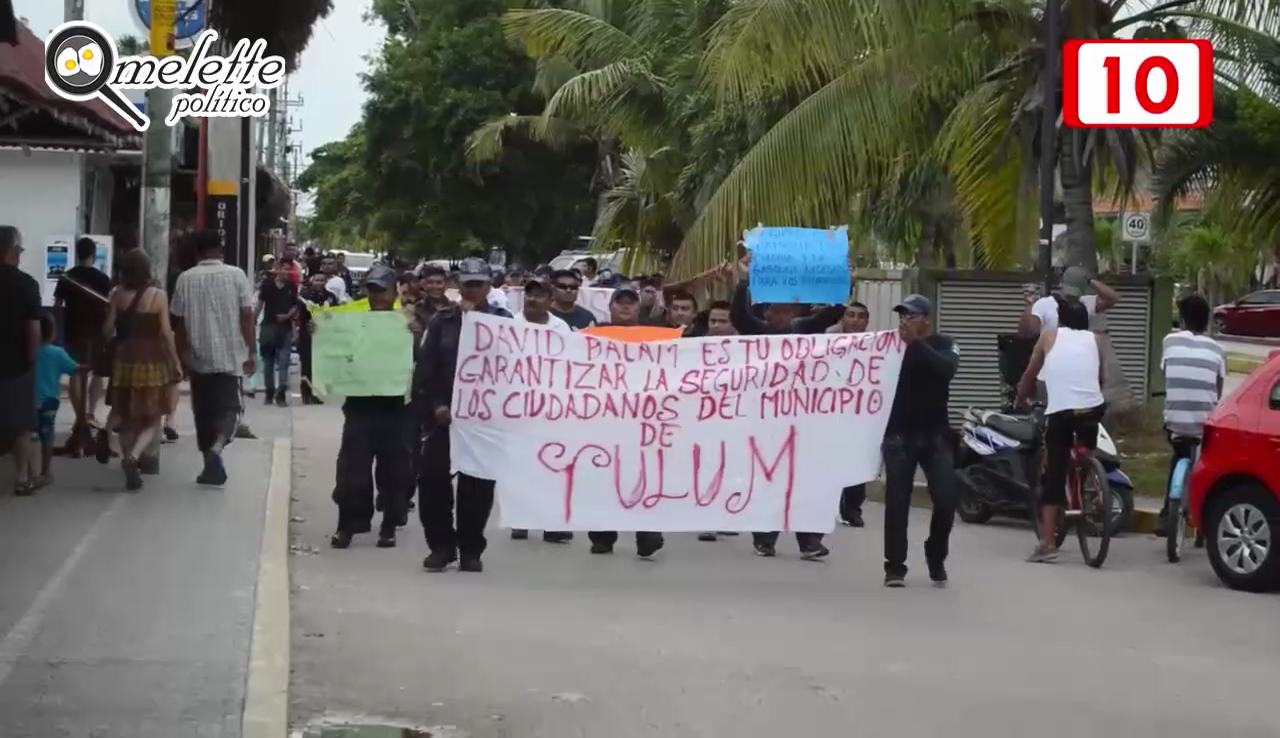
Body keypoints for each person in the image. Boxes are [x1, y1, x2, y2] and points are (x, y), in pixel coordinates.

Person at [730, 254, 845, 558]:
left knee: (806, 481)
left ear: (793, 312)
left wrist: (843, 280)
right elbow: (738, 317)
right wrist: (743, 280)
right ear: (766, 311)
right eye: (774, 309)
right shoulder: (756, 331)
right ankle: (764, 538)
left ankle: (809, 540)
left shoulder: (804, 331)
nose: (780, 314)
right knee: (769, 480)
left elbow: (833, 313)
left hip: (802, 421)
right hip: (765, 422)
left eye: (786, 309)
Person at [415, 257, 512, 572]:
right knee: (432, 483)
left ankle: (471, 548)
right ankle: (441, 547)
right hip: (444, 418)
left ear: (488, 285)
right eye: (467, 283)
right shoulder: (441, 322)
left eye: (479, 283)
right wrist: (437, 406)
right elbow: (426, 371)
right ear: (458, 284)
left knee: (477, 488)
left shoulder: (503, 321)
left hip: (483, 421)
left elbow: (515, 369)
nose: (472, 289)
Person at [328, 265, 414, 550]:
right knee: (352, 471)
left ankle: (388, 525)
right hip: (359, 407)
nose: (378, 296)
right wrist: (321, 332)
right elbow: (334, 350)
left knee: (394, 472)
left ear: (394, 292)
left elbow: (425, 358)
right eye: (373, 290)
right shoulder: (353, 320)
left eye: (383, 290)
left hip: (395, 410)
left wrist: (417, 333)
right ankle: (346, 525)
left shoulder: (409, 321)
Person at [1016, 299, 1106, 563]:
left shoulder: (1048, 336)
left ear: (1061, 320)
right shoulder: (1096, 340)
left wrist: (1022, 397)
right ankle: (1088, 474)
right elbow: (1097, 378)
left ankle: (1047, 544)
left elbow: (1031, 375)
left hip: (1061, 412)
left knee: (1053, 474)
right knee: (1084, 446)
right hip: (1092, 409)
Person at [882, 294, 960, 586]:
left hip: (936, 435)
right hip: (899, 434)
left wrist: (916, 343)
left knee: (946, 499)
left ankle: (935, 553)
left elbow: (947, 370)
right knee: (897, 501)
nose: (905, 320)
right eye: (902, 314)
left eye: (912, 315)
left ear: (926, 318)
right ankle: (895, 566)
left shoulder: (944, 344)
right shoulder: (889, 346)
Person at [584, 284, 666, 558]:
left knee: (644, 476)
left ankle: (647, 533)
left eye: (631, 302)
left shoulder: (655, 336)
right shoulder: (595, 335)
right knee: (604, 477)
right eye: (621, 302)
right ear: (611, 307)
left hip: (644, 419)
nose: (626, 306)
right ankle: (603, 536)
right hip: (605, 418)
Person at [171, 229, 256, 486]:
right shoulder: (237, 275)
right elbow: (247, 316)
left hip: (199, 358)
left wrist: (182, 355)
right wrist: (251, 349)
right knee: (231, 409)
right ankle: (217, 448)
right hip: (231, 357)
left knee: (204, 413)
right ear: (220, 249)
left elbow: (179, 323)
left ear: (197, 251)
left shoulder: (185, 279)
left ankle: (210, 466)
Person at [103, 249, 182, 491]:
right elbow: (167, 334)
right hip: (151, 359)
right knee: (154, 416)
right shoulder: (158, 296)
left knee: (126, 416)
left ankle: (128, 458)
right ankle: (133, 457)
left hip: (124, 359)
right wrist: (176, 361)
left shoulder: (117, 295)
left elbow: (107, 329)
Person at [508, 279, 574, 544]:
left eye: (540, 295)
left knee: (551, 467)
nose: (533, 299)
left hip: (551, 406)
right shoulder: (510, 324)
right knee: (522, 465)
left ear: (550, 299)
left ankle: (550, 523)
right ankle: (521, 519)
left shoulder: (561, 328)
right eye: (530, 294)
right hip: (518, 406)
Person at [1154, 293, 1226, 537]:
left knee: (1178, 453)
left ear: (1182, 320)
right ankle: (1204, 515)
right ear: (1206, 322)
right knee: (1207, 464)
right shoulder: (1217, 349)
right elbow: (1218, 390)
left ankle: (1166, 513)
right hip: (1204, 423)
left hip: (1175, 420)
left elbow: (1167, 378)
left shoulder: (1169, 342)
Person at [54, 236, 112, 453]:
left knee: (76, 375)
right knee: (94, 374)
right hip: (95, 333)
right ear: (93, 254)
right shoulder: (103, 279)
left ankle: (81, 421)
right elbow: (109, 307)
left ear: (77, 253)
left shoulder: (67, 277)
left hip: (73, 331)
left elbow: (58, 305)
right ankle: (87, 417)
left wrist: (60, 329)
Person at [1, 226, 43, 496]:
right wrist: (32, 361)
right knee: (22, 425)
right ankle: (22, 478)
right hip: (17, 365)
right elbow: (34, 331)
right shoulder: (27, 284)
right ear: (13, 251)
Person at [829, 301, 872, 526]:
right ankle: (828, 505)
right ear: (842, 318)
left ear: (867, 322)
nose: (855, 320)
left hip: (859, 413)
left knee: (857, 463)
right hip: (829, 411)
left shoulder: (875, 345)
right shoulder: (827, 340)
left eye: (860, 316)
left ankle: (853, 509)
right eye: (851, 315)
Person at [33, 314, 82, 486]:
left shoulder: (28, 351)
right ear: (53, 332)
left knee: (28, 436)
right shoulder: (58, 353)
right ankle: (45, 472)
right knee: (47, 437)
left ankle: (27, 472)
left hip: (28, 402)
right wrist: (91, 366)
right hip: (49, 403)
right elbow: (76, 369)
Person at [1018, 266, 1119, 336]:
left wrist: (1088, 280)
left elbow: (1113, 298)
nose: (1070, 298)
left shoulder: (1085, 303)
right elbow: (1028, 335)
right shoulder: (1044, 304)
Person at [256, 263, 299, 407]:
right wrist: (253, 321)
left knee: (284, 361)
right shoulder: (267, 285)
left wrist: (287, 316)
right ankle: (269, 390)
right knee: (268, 361)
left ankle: (281, 393)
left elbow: (295, 306)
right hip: (268, 326)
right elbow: (259, 304)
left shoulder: (291, 286)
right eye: (283, 269)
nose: (285, 272)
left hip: (284, 328)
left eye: (288, 270)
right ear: (276, 270)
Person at [298, 272, 338, 405]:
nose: (319, 283)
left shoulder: (331, 297)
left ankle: (315, 392)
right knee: (307, 365)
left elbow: (336, 315)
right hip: (307, 334)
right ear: (312, 281)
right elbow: (300, 315)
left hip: (324, 335)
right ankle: (305, 392)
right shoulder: (304, 296)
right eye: (317, 280)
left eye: (322, 280)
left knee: (319, 366)